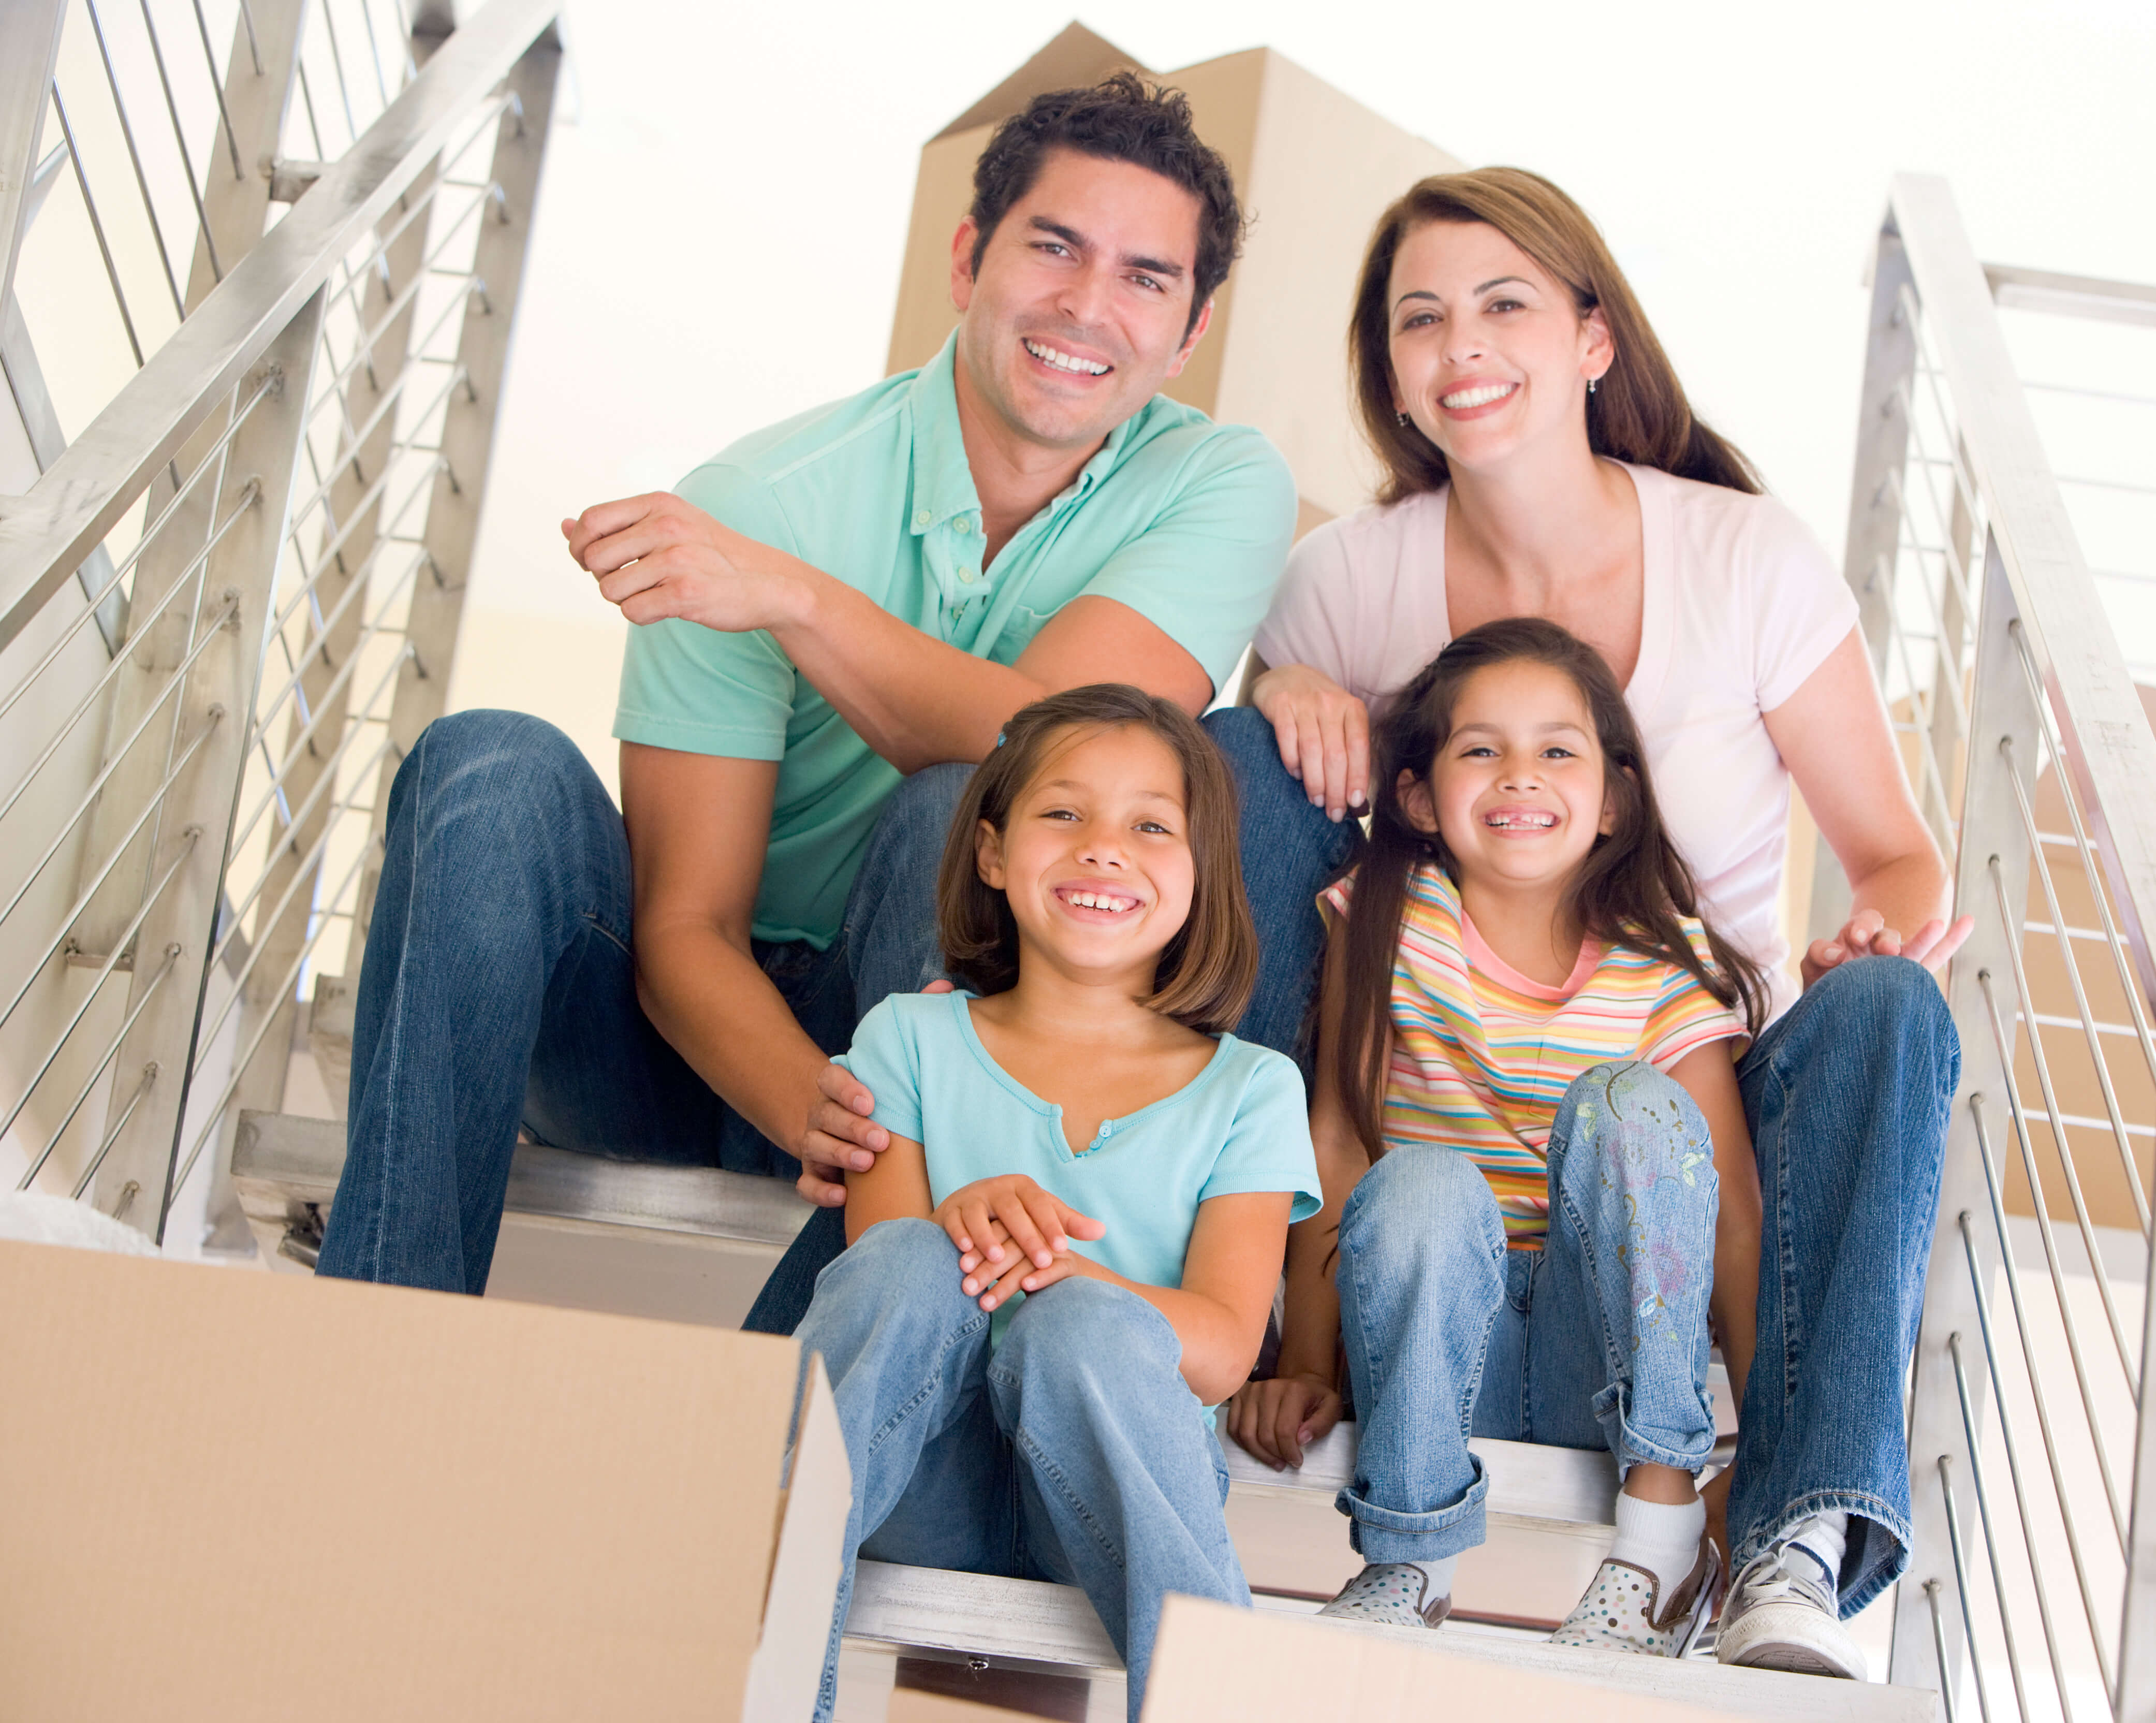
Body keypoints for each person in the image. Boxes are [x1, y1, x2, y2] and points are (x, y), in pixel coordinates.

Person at [314, 76, 1350, 1331]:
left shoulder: (1217, 481)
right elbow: (687, 927)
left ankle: (827, 1391)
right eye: (1055, 247)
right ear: (970, 258)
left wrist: (795, 602)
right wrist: (834, 1107)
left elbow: (1042, 742)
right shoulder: (761, 499)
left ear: (1189, 333)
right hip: (689, 1038)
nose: (1088, 305)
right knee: (487, 762)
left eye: (1145, 277)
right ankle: (374, 1336)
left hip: (938, 1049)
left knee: (964, 807)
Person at [1237, 168, 1966, 1676]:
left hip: (1696, 1088)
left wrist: (1873, 937)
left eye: (1503, 303)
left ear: (1590, 336)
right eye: (1419, 319)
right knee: (1233, 765)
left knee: (1894, 1015)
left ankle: (1788, 1526)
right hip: (1441, 1114)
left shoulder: (1742, 555)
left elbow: (1898, 860)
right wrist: (1278, 691)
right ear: (1389, 369)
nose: (1462, 345)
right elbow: (1297, 911)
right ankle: (1240, 1305)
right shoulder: (1345, 582)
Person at [1231, 620, 1764, 1656]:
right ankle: (1410, 1554)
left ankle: (1656, 1542)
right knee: (1421, 1177)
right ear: (1422, 795)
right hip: (1433, 1340)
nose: (1520, 775)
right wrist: (1305, 1361)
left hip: (1597, 1350)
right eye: (1482, 748)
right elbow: (1338, 1135)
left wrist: (1761, 1428)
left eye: (1557, 749)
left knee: (1633, 1102)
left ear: (1612, 797)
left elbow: (1730, 1213)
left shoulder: (1663, 966)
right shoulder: (1387, 915)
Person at [797, 684, 1316, 1721]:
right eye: (1064, 813)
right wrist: (963, 1212)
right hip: (925, 1483)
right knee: (905, 1260)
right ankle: (752, 1658)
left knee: (1083, 1325)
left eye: (1151, 825)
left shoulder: (1251, 1087)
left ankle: (1220, 1702)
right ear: (993, 851)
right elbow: (881, 1281)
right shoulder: (908, 1037)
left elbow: (1219, 1349)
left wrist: (1072, 1274)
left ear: (1203, 871)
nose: (1105, 848)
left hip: (1117, 1489)